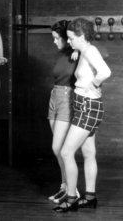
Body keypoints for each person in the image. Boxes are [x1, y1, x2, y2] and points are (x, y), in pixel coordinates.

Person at [52, 18, 111, 213]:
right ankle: (90, 197)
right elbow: (85, 54)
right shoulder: (84, 50)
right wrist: (78, 49)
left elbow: (105, 71)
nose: (68, 42)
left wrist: (93, 85)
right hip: (84, 106)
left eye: (71, 39)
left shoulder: (91, 51)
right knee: (88, 153)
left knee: (66, 152)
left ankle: (71, 199)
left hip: (87, 106)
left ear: (82, 36)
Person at [47, 20, 80, 204]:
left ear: (67, 38)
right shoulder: (61, 54)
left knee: (59, 148)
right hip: (55, 97)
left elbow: (104, 53)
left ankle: (72, 190)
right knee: (59, 149)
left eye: (56, 38)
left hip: (68, 98)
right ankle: (64, 187)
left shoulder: (79, 51)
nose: (54, 42)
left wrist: (79, 50)